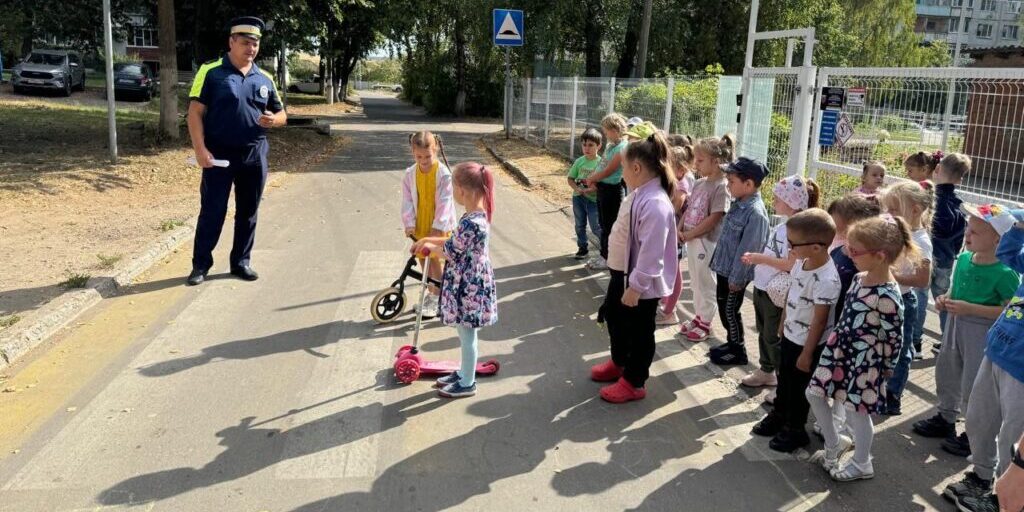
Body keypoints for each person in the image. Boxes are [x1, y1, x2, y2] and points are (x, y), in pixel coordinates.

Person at [806, 215, 912, 481]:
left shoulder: (888, 295)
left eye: (855, 251)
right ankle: (834, 444)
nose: (848, 254)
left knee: (858, 413)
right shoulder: (858, 278)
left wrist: (888, 367)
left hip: (866, 362)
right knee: (814, 393)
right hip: (840, 351)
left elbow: (894, 337)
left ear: (880, 256)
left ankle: (862, 463)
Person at [912, 204, 1020, 459]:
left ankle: (973, 435)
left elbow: (1009, 311)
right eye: (967, 230)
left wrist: (970, 308)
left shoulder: (1005, 272)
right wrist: (945, 299)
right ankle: (946, 416)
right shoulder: (963, 259)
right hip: (955, 325)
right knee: (947, 371)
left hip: (980, 332)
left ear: (998, 239)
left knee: (974, 382)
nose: (967, 235)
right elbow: (954, 290)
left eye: (975, 232)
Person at [185, 17, 287, 286]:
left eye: (255, 44)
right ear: (231, 42)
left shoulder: (265, 78)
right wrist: (200, 150)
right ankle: (201, 265)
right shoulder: (211, 71)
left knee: (248, 211)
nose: (251, 49)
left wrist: (273, 120)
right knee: (213, 210)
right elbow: (194, 113)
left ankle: (241, 262)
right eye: (245, 43)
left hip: (254, 155)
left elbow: (282, 115)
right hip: (218, 156)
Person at [589, 132, 677, 404]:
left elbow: (651, 254)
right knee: (615, 318)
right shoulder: (640, 193)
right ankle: (619, 363)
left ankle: (634, 381)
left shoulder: (655, 203)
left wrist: (636, 287)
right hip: (624, 274)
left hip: (640, 284)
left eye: (623, 167)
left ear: (636, 168)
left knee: (639, 332)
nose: (621, 173)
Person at [948, 205, 1024, 512]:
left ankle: (1004, 498)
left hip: (1020, 367)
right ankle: (981, 477)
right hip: (998, 349)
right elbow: (1009, 254)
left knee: (1012, 437)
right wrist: (1018, 226)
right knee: (978, 419)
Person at [750, 209, 841, 453]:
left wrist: (807, 354)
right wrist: (783, 321)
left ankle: (795, 428)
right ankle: (780, 414)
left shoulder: (827, 279)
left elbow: (820, 321)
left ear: (816, 247)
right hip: (791, 334)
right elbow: (792, 291)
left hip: (807, 344)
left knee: (800, 388)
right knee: (785, 380)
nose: (789, 248)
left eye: (793, 244)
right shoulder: (802, 262)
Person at [411, 162, 498, 398]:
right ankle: (463, 373)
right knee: (464, 333)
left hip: (469, 287)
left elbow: (451, 251)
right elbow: (454, 241)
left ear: (462, 190)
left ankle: (467, 382)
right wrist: (428, 240)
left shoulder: (473, 223)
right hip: (468, 282)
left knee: (467, 335)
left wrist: (430, 246)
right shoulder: (474, 216)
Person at [740, 176, 821, 399]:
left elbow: (789, 264)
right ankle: (766, 370)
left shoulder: (797, 231)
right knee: (764, 331)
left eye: (778, 198)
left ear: (792, 202)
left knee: (774, 335)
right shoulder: (785, 226)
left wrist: (759, 258)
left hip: (776, 291)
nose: (773, 201)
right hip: (764, 285)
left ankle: (781, 380)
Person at [708, 157, 771, 365]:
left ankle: (738, 350)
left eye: (732, 181)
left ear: (749, 184)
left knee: (730, 311)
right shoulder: (739, 203)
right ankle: (731, 342)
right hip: (724, 269)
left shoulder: (755, 213)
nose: (728, 185)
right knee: (723, 307)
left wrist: (737, 278)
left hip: (735, 275)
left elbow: (748, 250)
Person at [880, 180, 934, 415]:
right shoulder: (894, 231)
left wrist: (892, 275)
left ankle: (893, 395)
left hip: (902, 301)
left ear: (915, 210)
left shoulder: (921, 241)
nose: (889, 214)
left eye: (894, 209)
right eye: (888, 208)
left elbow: (923, 280)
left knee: (901, 350)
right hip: (884, 297)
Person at [676, 135, 734, 341]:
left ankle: (706, 323)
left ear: (715, 161)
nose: (696, 164)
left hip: (707, 242)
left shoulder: (722, 186)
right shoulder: (700, 183)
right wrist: (679, 229)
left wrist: (690, 234)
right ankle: (698, 316)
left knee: (706, 282)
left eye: (700, 160)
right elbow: (689, 208)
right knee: (695, 280)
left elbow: (714, 218)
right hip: (692, 240)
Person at [401, 131, 456, 318]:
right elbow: (407, 200)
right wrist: (409, 222)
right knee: (423, 258)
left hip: (438, 224)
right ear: (412, 152)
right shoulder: (410, 174)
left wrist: (438, 227)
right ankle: (432, 291)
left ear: (436, 150)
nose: (423, 161)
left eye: (427, 156)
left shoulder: (443, 174)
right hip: (420, 223)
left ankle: (437, 297)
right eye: (419, 157)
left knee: (434, 259)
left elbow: (445, 202)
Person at [929, 152, 972, 348]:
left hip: (925, 257)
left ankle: (915, 340)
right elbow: (959, 236)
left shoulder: (930, 198)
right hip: (945, 259)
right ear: (960, 179)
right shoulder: (959, 204)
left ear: (937, 169)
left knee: (919, 296)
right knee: (943, 299)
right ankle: (947, 341)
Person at [656, 141, 696, 326]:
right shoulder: (677, 181)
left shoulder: (681, 184)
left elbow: (675, 206)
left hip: (674, 234)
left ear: (680, 169)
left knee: (674, 272)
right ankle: (665, 302)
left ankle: (670, 312)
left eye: (668, 166)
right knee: (668, 268)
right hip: (670, 232)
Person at [583, 113, 629, 271]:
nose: (605, 134)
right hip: (602, 188)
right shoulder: (610, 145)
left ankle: (609, 258)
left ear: (615, 130)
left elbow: (609, 170)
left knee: (610, 226)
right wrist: (593, 179)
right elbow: (602, 164)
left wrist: (592, 178)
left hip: (612, 191)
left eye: (606, 130)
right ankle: (604, 255)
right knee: (603, 224)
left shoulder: (623, 147)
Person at [567, 128, 604, 260]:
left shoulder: (601, 163)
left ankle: (607, 248)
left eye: (590, 145)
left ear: (599, 146)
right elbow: (570, 179)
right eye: (584, 145)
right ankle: (582, 248)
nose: (586, 148)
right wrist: (577, 189)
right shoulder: (579, 161)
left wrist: (593, 188)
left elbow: (603, 183)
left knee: (596, 227)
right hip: (579, 198)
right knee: (579, 225)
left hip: (594, 201)